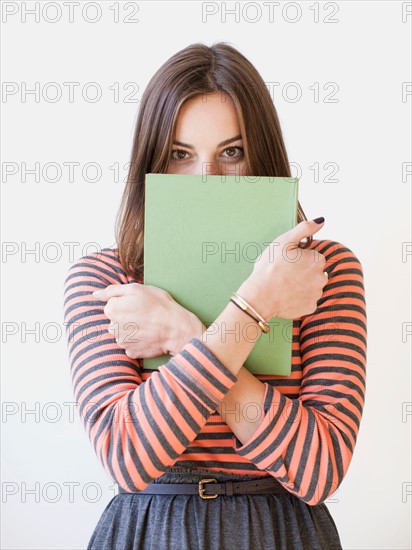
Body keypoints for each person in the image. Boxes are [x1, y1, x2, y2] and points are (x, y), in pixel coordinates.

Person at [62, 42, 367, 550]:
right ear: (151, 161)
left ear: (261, 156)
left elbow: (320, 470)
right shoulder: (105, 277)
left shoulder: (323, 272)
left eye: (232, 152)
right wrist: (255, 307)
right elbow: (129, 453)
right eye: (181, 155)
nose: (207, 180)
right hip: (151, 532)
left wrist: (186, 336)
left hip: (282, 533)